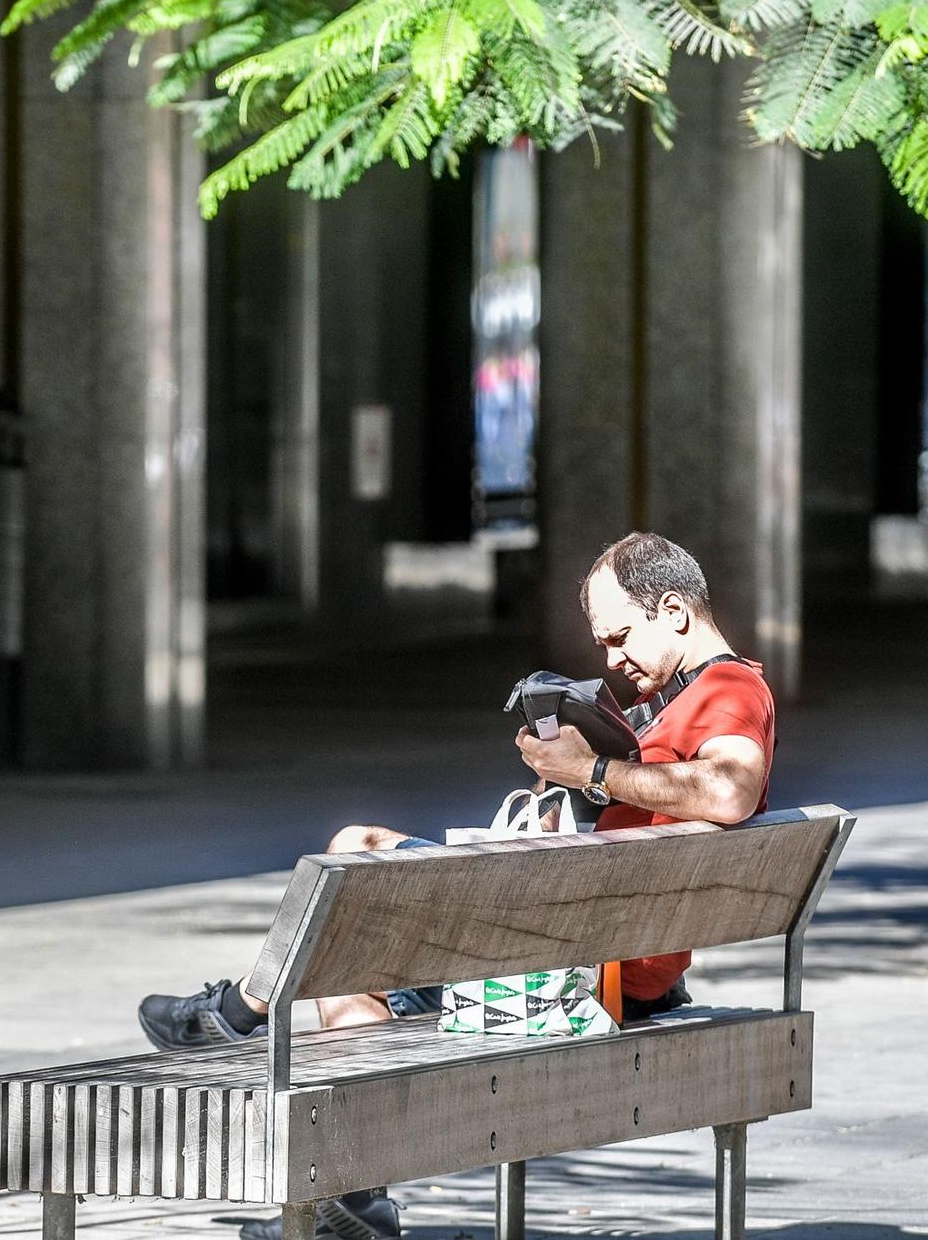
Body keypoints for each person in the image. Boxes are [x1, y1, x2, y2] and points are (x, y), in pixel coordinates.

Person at [135, 531, 776, 1240]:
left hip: (578, 974)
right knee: (347, 957)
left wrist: (587, 774)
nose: (611, 658)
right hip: (593, 957)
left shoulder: (727, 688)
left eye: (620, 636)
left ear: (675, 611)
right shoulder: (689, 699)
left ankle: (240, 1014)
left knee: (356, 853)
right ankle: (350, 1200)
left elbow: (730, 789)